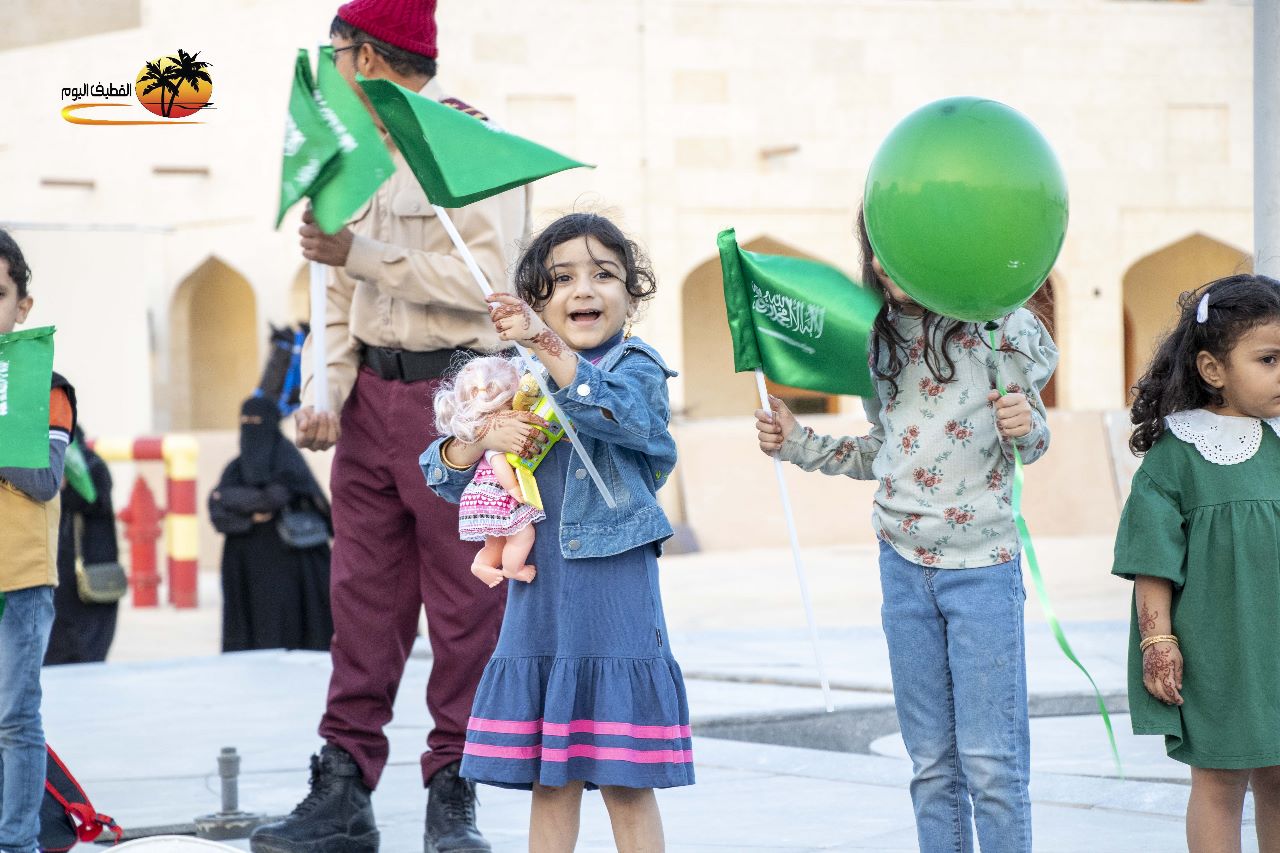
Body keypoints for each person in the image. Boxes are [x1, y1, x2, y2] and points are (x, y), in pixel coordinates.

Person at [249, 0, 529, 850]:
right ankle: (342, 787)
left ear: (366, 57)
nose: (329, 65)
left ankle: (455, 792)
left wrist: (360, 253)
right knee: (361, 602)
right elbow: (334, 298)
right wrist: (323, 392)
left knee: (466, 608)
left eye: (336, 50)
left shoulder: (469, 146)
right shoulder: (350, 158)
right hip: (373, 397)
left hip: (464, 397)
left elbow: (488, 282)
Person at [754, 209, 1058, 852]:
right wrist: (799, 442)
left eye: (900, 245)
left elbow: (1032, 439)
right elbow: (883, 449)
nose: (881, 263)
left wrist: (1026, 425)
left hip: (982, 571)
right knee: (931, 766)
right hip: (902, 567)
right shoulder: (880, 339)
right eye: (876, 247)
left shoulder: (1000, 326)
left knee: (992, 766)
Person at [421, 213, 692, 852]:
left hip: (614, 590)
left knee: (626, 778)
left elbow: (628, 419)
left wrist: (545, 345)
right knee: (552, 776)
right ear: (536, 299)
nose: (584, 289)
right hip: (539, 590)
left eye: (605, 275)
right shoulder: (512, 380)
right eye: (562, 278)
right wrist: (481, 438)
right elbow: (441, 473)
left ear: (632, 296)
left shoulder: (637, 367)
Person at [1112, 275, 1280, 853]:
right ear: (1213, 369)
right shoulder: (1179, 454)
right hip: (1218, 650)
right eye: (1269, 359)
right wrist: (1158, 642)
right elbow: (1150, 561)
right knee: (1220, 782)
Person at [0, 227, 78, 853]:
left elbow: (44, 480)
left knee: (13, 719)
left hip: (20, 580)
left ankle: (18, 842)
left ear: (22, 306)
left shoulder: (48, 388)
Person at [209, 396, 333, 653]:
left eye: (257, 421)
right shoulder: (235, 469)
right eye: (245, 420)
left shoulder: (288, 462)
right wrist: (251, 516)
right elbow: (216, 510)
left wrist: (230, 499)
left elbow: (274, 497)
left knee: (285, 630)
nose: (250, 426)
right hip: (244, 565)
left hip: (289, 559)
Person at [432, 356, 544, 588]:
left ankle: (481, 565)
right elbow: (500, 465)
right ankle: (513, 569)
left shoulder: (484, 431)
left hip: (481, 497)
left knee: (495, 542)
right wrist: (514, 489)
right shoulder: (497, 436)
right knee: (523, 535)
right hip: (498, 495)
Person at [44, 426, 121, 665]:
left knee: (84, 651)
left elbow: (95, 501)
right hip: (59, 576)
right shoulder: (43, 468)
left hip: (89, 576)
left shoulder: (92, 466)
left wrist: (65, 488)